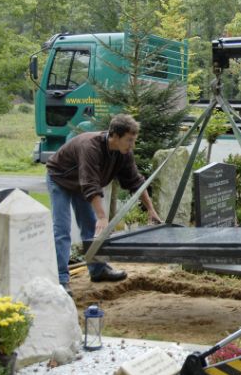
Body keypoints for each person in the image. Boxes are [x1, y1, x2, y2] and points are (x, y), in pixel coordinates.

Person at [46, 114, 162, 296]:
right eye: (129, 140)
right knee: (62, 229)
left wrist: (151, 209)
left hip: (82, 184)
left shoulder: (123, 153)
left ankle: (98, 271)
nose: (132, 145)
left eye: (134, 140)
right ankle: (61, 279)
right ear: (114, 135)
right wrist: (102, 215)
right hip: (60, 179)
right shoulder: (90, 147)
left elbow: (136, 182)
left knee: (91, 229)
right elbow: (90, 184)